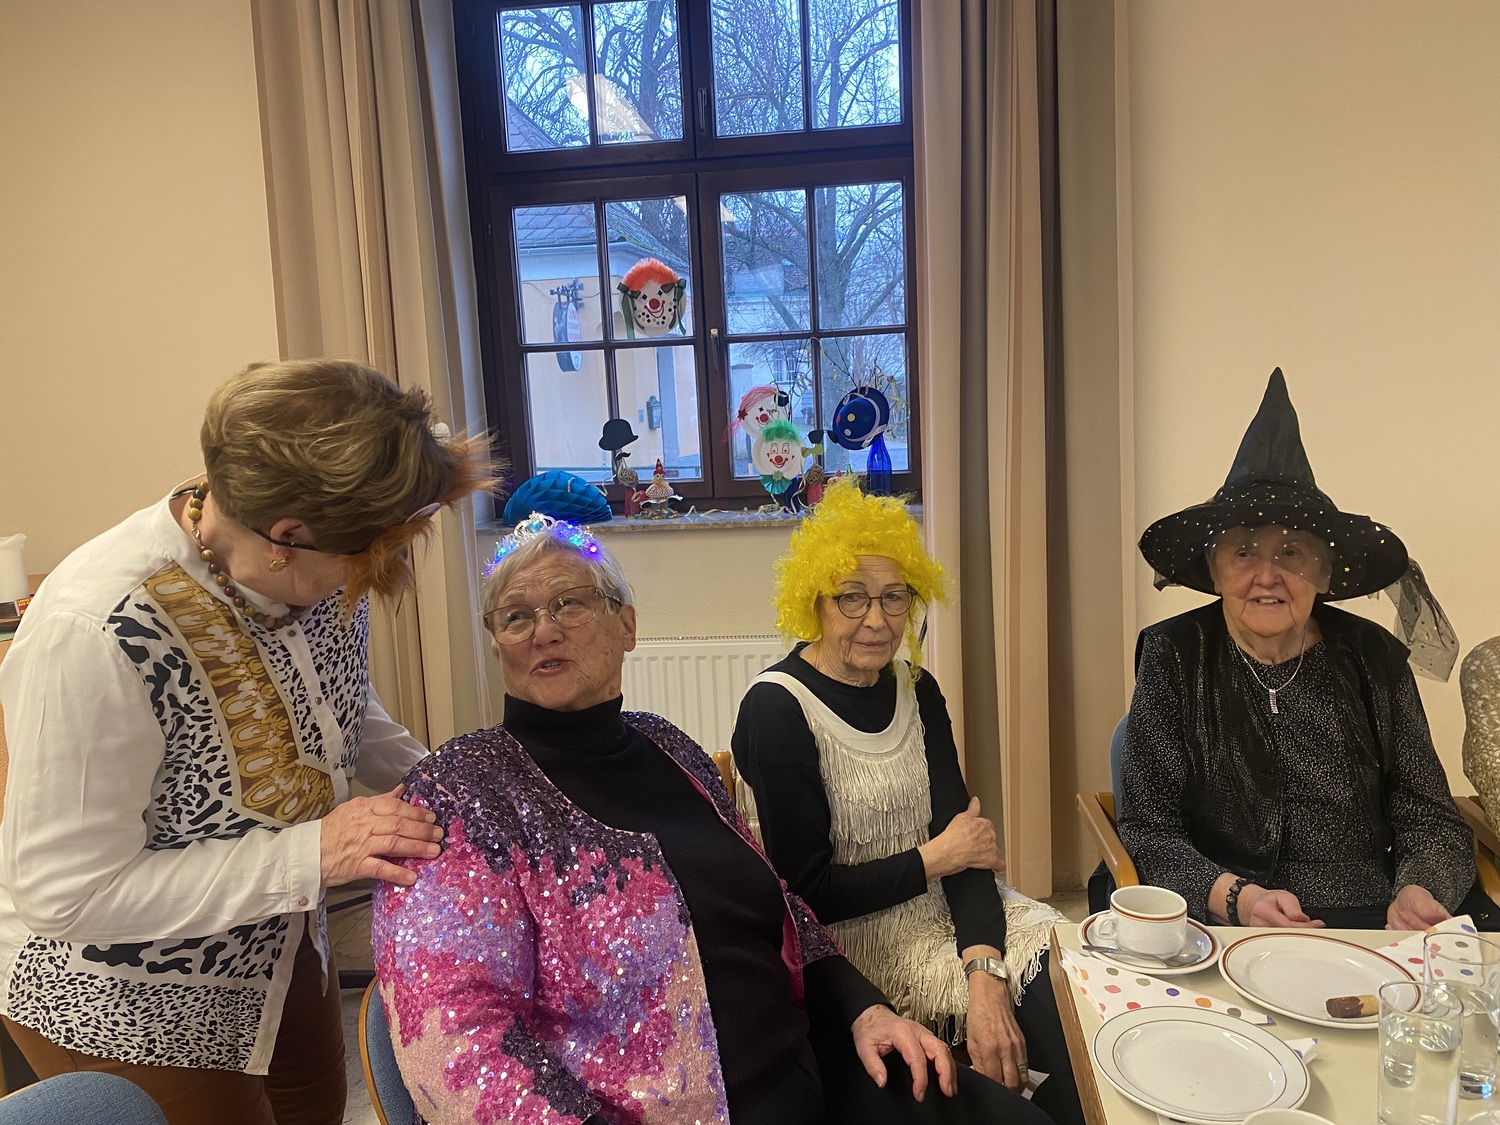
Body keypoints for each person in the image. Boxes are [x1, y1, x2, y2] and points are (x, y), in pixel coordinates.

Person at [371, 513, 1054, 1125]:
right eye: (516, 616)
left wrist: (862, 1007)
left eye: (569, 602)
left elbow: (779, 901)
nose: (544, 629)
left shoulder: (669, 747)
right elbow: (454, 1045)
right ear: (496, 645)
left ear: (626, 624)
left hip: (818, 1065)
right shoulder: (462, 792)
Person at [0, 359, 491, 1125]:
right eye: (367, 557)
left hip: (280, 940)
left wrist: (445, 783)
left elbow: (337, 708)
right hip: (128, 993)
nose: (376, 576)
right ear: (285, 538)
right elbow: (66, 892)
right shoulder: (95, 629)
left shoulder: (311, 556)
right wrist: (314, 852)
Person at [730, 479, 1083, 1125]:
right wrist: (935, 857)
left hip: (951, 909)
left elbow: (967, 848)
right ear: (814, 601)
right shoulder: (776, 709)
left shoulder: (917, 688)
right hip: (856, 945)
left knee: (1080, 1013)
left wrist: (985, 973)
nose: (877, 619)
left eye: (895, 596)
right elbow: (806, 893)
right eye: (853, 596)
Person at [1118, 368, 1490, 933]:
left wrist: (1418, 889)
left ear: (1324, 573)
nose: (1267, 575)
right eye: (1244, 553)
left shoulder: (1375, 657)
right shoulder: (1174, 654)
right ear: (1215, 573)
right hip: (1224, 917)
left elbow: (1430, 816)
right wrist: (1237, 897)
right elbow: (1150, 827)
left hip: (1369, 915)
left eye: (1291, 553)